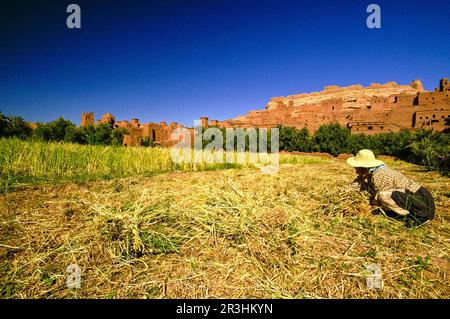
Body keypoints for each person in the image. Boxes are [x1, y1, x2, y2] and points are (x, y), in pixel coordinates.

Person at [347, 149, 435, 227]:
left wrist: (368, 206)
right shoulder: (371, 173)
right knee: (382, 199)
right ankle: (399, 213)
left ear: (365, 168)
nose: (356, 171)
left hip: (421, 202)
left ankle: (415, 217)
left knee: (382, 196)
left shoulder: (378, 175)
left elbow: (377, 199)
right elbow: (357, 184)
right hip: (412, 197)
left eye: (358, 168)